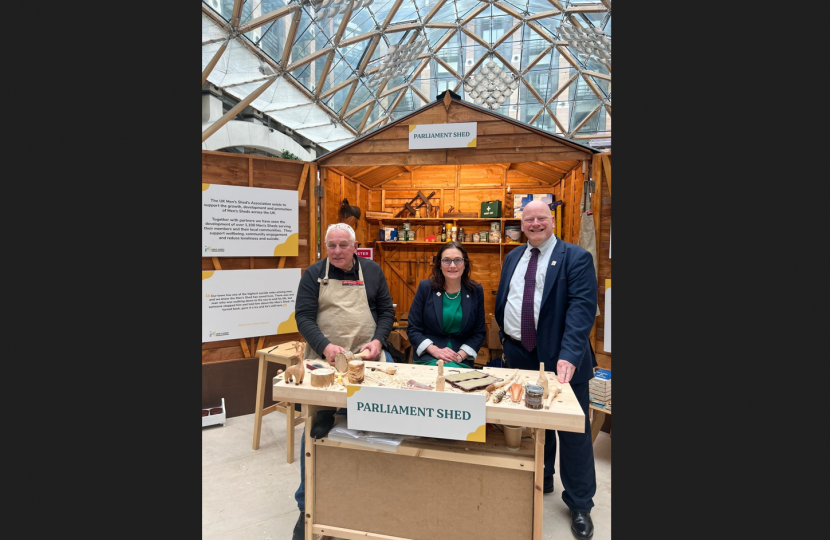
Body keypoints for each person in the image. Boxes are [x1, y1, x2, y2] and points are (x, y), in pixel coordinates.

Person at [494, 201, 598, 539]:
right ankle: (545, 476)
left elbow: (582, 309)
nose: (535, 224)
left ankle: (580, 503)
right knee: (535, 423)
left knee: (573, 432)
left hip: (561, 359)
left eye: (541, 218)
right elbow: (507, 299)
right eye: (529, 220)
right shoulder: (513, 257)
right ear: (521, 224)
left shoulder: (575, 258)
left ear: (552, 221)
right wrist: (506, 339)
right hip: (519, 352)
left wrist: (569, 355)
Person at [291, 222, 395, 540]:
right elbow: (303, 316)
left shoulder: (372, 271)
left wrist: (378, 341)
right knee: (315, 429)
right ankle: (307, 506)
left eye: (343, 245)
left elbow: (386, 313)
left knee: (374, 426)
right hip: (325, 359)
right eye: (331, 245)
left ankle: (368, 498)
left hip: (366, 357)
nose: (336, 251)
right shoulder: (314, 274)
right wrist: (325, 346)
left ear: (355, 246)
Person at [407, 241, 486, 368]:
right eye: (447, 261)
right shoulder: (425, 288)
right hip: (429, 355)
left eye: (458, 260)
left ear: (465, 264)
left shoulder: (475, 290)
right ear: (440, 264)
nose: (452, 265)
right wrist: (435, 350)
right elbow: (413, 329)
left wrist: (460, 355)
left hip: (460, 358)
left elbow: (479, 332)